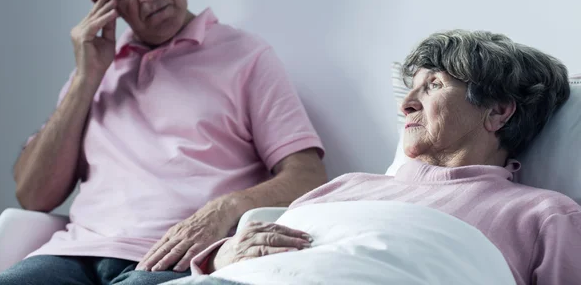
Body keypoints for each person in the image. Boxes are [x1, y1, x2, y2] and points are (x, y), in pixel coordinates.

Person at [0, 0, 327, 285]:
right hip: (71, 256)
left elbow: (307, 174)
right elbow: (33, 197)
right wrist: (86, 78)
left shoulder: (247, 56)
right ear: (102, 2)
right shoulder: (92, 73)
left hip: (177, 260)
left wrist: (226, 209)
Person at [184, 30, 581, 285]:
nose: (406, 103)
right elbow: (250, 257)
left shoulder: (543, 215)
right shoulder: (348, 185)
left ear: (498, 111)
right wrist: (221, 256)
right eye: (412, 88)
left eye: (434, 85)